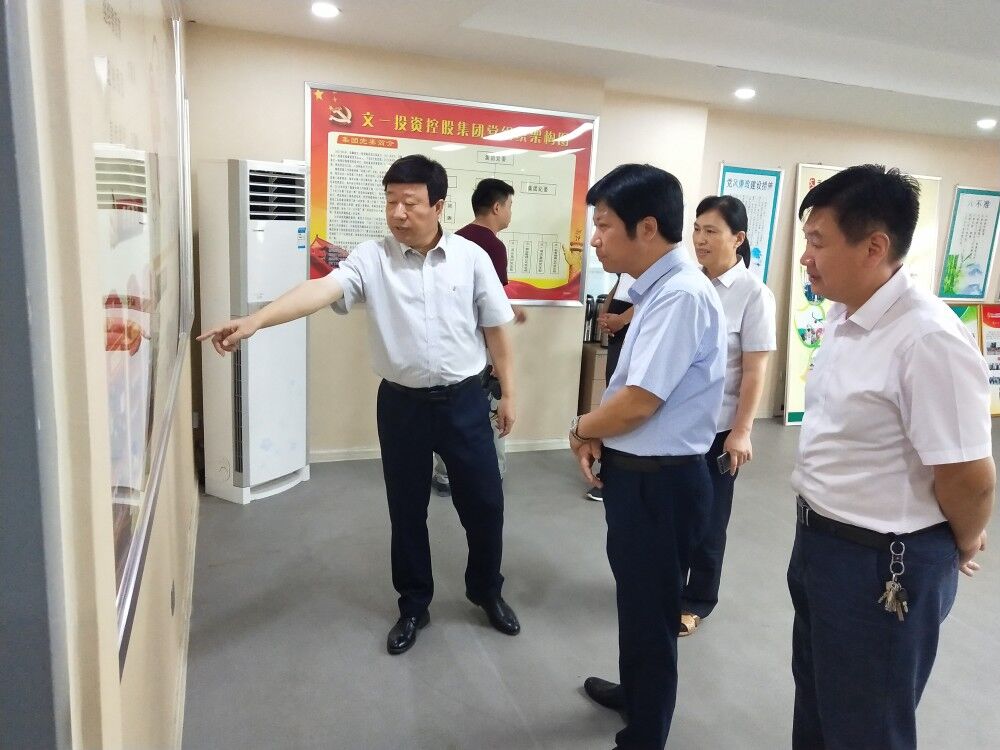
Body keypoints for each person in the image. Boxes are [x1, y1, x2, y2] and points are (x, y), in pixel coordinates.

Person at [199, 155, 522, 656]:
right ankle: (413, 604)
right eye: (391, 201)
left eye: (410, 202)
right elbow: (319, 289)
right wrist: (256, 320)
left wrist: (511, 394)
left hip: (464, 401)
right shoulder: (373, 258)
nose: (398, 213)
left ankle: (486, 591)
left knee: (484, 505)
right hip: (402, 406)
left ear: (439, 205)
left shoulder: (471, 258)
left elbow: (497, 330)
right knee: (406, 510)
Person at [788, 164, 994, 749]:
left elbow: (970, 477)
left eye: (818, 241)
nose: (806, 257)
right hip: (821, 545)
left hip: (882, 567)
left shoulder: (927, 339)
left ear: (874, 247)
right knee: (819, 705)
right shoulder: (844, 315)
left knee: (868, 727)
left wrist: (961, 542)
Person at [568, 163, 726, 749]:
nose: (595, 239)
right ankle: (637, 694)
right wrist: (599, 433)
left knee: (654, 612)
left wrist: (580, 427)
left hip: (663, 483)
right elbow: (631, 392)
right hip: (641, 477)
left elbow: (638, 403)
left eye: (605, 225)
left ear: (648, 227)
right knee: (637, 601)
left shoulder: (680, 295)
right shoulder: (657, 290)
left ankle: (647, 733)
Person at [678, 195, 776, 636]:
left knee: (708, 518)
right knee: (673, 512)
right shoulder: (686, 283)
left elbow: (754, 370)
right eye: (697, 229)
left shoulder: (754, 295)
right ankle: (667, 584)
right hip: (677, 425)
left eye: (711, 231)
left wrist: (742, 431)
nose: (700, 239)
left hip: (718, 429)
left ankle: (697, 599)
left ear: (738, 239)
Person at [431, 178, 525, 496]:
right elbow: (490, 312)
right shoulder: (493, 246)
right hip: (480, 347)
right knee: (492, 409)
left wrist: (511, 307)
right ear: (497, 207)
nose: (510, 212)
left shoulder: (455, 240)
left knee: (450, 412)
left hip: (451, 345)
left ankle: (444, 475)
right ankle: (492, 472)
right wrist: (496, 358)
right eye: (510, 205)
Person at [584, 271, 636, 502]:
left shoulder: (656, 267)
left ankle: (612, 477)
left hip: (628, 331)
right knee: (611, 398)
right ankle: (609, 470)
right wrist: (605, 315)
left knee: (623, 403)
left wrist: (621, 319)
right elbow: (620, 283)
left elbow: (649, 300)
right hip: (617, 334)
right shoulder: (627, 267)